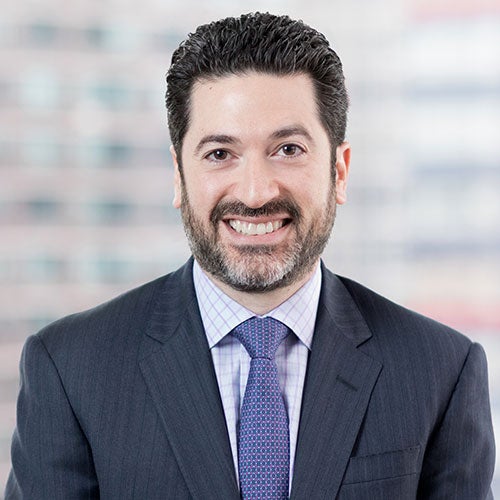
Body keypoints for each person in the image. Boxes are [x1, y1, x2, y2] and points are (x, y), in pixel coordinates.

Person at [5, 12, 495, 500]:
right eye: (220, 154)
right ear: (179, 175)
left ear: (339, 171)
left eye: (288, 149)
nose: (256, 192)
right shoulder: (70, 369)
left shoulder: (441, 370)